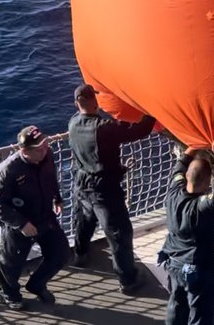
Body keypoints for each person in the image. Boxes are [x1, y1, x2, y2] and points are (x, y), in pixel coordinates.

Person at [67, 83, 157, 293]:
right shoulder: (104, 128)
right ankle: (128, 280)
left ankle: (80, 255)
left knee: (84, 221)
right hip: (103, 190)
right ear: (96, 101)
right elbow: (141, 130)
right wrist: (152, 110)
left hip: (81, 184)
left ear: (76, 104)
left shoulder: (72, 122)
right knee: (119, 233)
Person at [0, 126, 68, 310]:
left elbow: (51, 178)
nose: (45, 150)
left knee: (60, 253)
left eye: (45, 145)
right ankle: (8, 294)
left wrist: (57, 198)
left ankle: (37, 284)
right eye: (39, 149)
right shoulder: (8, 170)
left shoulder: (47, 155)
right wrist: (21, 223)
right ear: (24, 151)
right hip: (20, 225)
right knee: (11, 264)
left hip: (45, 216)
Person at [160, 147, 214, 325]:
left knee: (177, 304)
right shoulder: (202, 209)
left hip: (173, 264)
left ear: (187, 176)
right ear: (207, 182)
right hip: (196, 271)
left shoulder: (174, 192)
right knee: (203, 313)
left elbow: (180, 165)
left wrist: (192, 146)